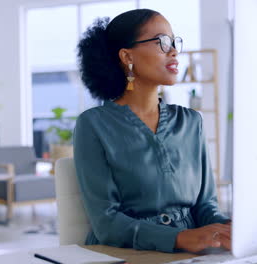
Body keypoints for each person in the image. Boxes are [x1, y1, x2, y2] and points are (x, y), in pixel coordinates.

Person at [74, 9, 231, 253]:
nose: (174, 51)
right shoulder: (93, 125)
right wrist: (179, 238)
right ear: (127, 56)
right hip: (124, 252)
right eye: (162, 42)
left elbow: (205, 206)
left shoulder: (191, 122)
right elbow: (107, 223)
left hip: (192, 251)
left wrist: (228, 228)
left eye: (174, 41)